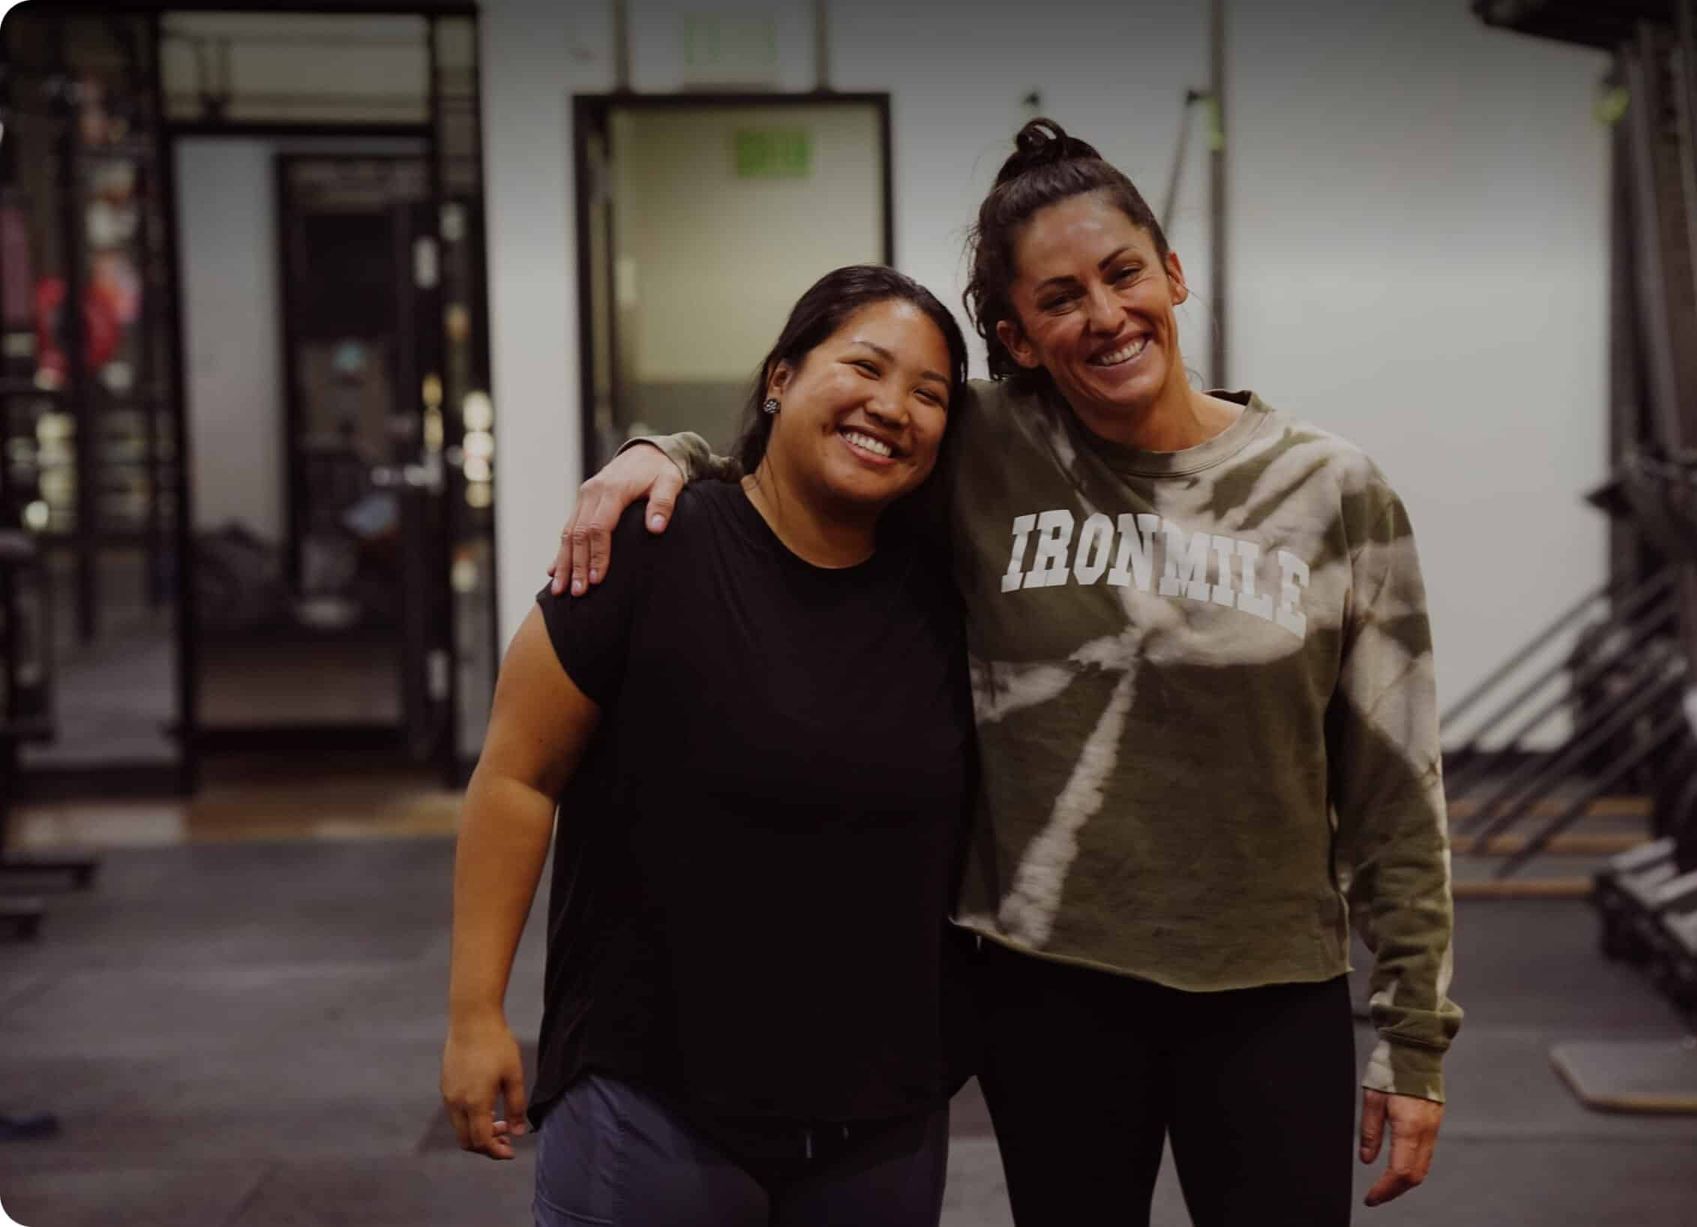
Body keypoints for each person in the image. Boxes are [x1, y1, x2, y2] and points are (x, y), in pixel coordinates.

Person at [550, 119, 1461, 1226]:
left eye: (1124, 274)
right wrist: (667, 453)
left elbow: (1397, 789)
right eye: (1060, 298)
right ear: (1019, 337)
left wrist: (1415, 1036)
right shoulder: (983, 446)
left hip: (1268, 988)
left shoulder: (1334, 491)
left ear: (1174, 275)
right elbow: (819, 447)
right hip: (1048, 987)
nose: (1105, 315)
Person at [442, 265, 977, 1227]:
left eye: (929, 394)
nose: (892, 407)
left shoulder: (945, 591)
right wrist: (476, 1013)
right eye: (865, 366)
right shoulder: (647, 546)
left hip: (883, 1118)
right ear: (781, 378)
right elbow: (518, 775)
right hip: (653, 1100)